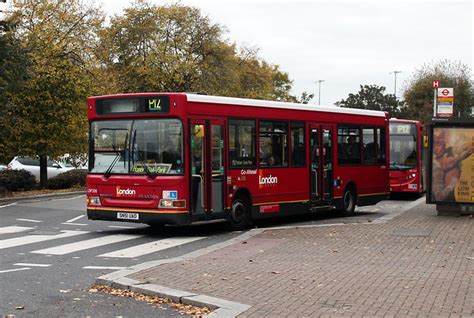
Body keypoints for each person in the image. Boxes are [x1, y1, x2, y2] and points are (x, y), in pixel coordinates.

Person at [431, 129, 472, 201]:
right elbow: (439, 197)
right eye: (451, 161)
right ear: (445, 155)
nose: (451, 165)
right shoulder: (438, 169)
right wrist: (452, 184)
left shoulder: (437, 163)